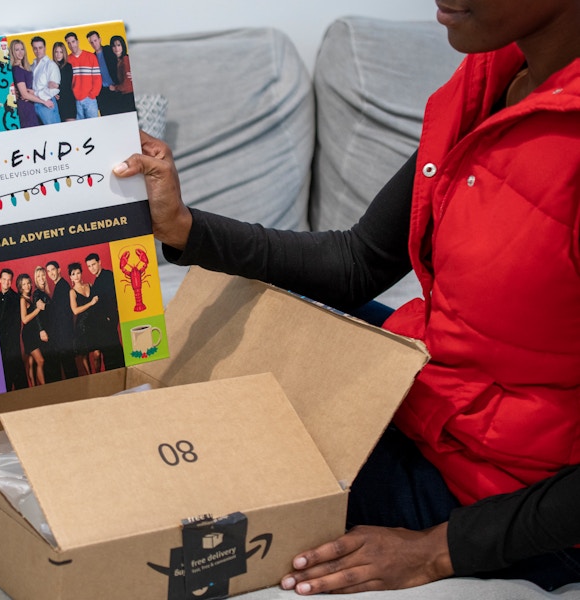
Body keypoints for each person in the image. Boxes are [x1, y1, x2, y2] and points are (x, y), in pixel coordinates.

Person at [114, 0, 580, 594]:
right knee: (241, 311)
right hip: (438, 397)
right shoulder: (494, 73)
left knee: (183, 480)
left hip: (506, 501)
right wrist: (181, 226)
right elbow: (358, 260)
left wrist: (439, 551)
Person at [86, 253, 125, 370]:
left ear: (99, 262)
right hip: (102, 322)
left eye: (93, 264)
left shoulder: (107, 275)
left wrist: (109, 317)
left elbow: (111, 297)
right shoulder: (97, 280)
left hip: (108, 319)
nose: (92, 268)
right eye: (89, 266)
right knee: (110, 351)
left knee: (112, 350)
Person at [0, 268, 29, 391]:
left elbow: (16, 323)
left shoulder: (15, 298)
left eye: (9, 280)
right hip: (0, 340)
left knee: (16, 368)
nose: (6, 282)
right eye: (4, 279)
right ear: (0, 280)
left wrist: (11, 339)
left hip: (12, 341)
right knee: (4, 371)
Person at [45, 260, 80, 379]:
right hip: (62, 335)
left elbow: (60, 311)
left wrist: (44, 306)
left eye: (52, 270)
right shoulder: (59, 286)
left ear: (59, 270)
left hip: (64, 335)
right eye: (48, 271)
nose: (51, 273)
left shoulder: (63, 286)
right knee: (68, 365)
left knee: (69, 366)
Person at [67, 262, 101, 375]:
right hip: (82, 326)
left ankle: (97, 374)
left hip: (94, 323)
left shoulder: (90, 285)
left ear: (81, 273)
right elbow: (75, 310)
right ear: (70, 277)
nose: (76, 276)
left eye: (78, 273)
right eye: (73, 274)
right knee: (85, 355)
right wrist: (91, 303)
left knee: (97, 354)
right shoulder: (72, 292)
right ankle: (90, 376)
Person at [15, 273, 46, 387]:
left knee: (32, 362)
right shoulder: (23, 300)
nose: (27, 286)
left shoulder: (30, 298)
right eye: (24, 284)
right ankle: (44, 388)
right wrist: (38, 309)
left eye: (28, 283)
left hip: (33, 333)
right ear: (20, 286)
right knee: (40, 361)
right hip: (29, 335)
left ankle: (34, 387)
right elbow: (25, 319)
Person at [64, 31, 101, 119]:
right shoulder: (67, 60)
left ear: (77, 41)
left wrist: (92, 94)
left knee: (94, 126)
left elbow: (97, 78)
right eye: (68, 43)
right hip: (75, 100)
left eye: (73, 42)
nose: (71, 45)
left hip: (90, 99)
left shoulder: (91, 56)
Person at [8, 38, 40, 128]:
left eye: (22, 49)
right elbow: (24, 95)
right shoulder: (17, 69)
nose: (20, 52)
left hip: (31, 105)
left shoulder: (26, 68)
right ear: (12, 52)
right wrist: (43, 101)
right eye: (17, 50)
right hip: (25, 107)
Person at [29, 36, 61, 125]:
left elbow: (54, 89)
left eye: (40, 48)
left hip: (47, 104)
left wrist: (35, 93)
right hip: (34, 104)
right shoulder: (32, 66)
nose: (38, 51)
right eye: (35, 48)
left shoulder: (51, 65)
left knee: (54, 133)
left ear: (45, 48)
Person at [86, 30, 118, 116]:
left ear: (99, 39)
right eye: (91, 42)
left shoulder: (109, 50)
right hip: (103, 93)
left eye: (95, 40)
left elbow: (121, 57)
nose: (94, 44)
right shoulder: (91, 58)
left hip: (116, 89)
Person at [110, 35, 135, 114]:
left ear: (123, 46)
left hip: (129, 97)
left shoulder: (125, 60)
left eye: (118, 45)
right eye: (114, 46)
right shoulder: (118, 61)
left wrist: (115, 88)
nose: (116, 48)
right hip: (124, 96)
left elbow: (127, 85)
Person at [52, 41, 76, 121]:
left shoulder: (68, 66)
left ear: (64, 53)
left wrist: (56, 87)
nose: (58, 54)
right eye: (56, 52)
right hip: (56, 102)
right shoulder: (50, 67)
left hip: (68, 101)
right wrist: (52, 92)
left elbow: (67, 85)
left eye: (61, 52)